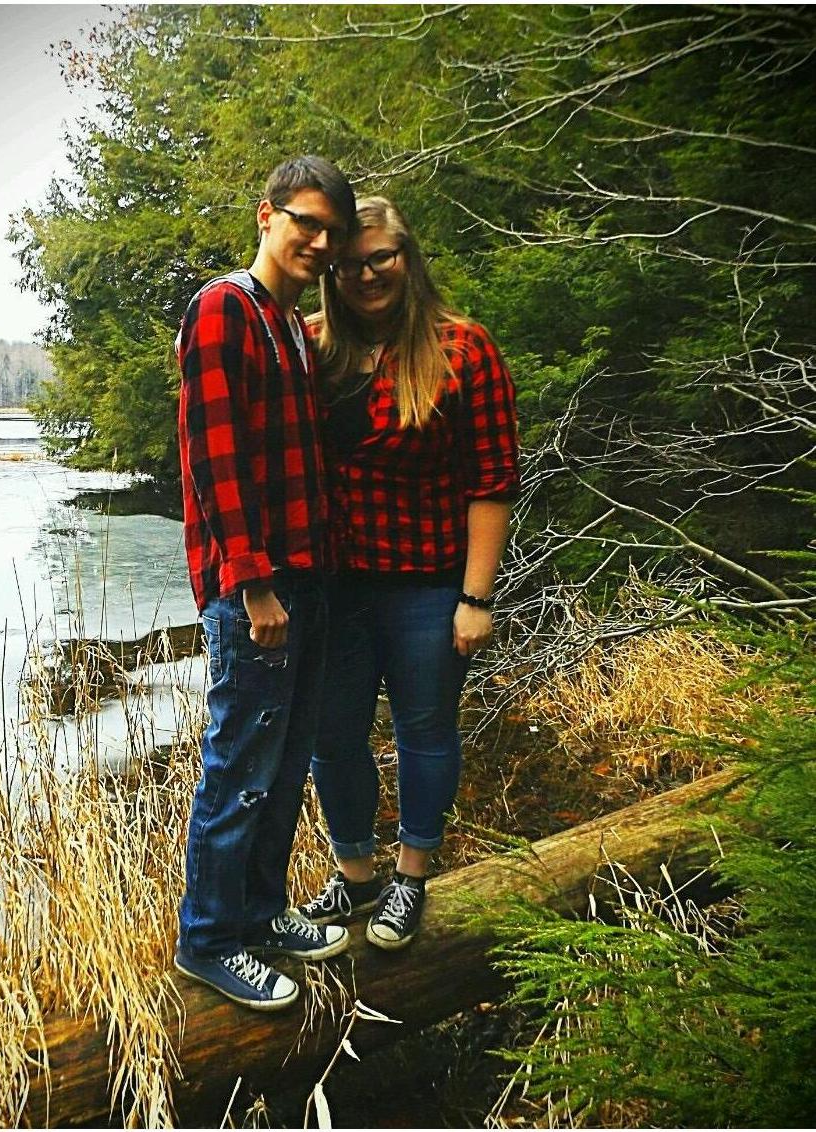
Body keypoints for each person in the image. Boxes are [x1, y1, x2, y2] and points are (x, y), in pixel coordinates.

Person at [299, 196, 520, 950]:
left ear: (407, 257)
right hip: (335, 588)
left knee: (425, 730)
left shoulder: (463, 348)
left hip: (429, 586)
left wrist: (475, 597)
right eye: (350, 264)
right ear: (332, 272)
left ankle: (412, 874)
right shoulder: (311, 346)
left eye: (381, 258)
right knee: (333, 736)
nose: (367, 275)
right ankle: (356, 874)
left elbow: (492, 480)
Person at [174, 156, 357, 1010]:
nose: (319, 242)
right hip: (259, 591)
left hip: (307, 582)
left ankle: (260, 913)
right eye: (305, 223)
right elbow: (216, 460)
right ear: (267, 216)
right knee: (240, 764)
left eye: (331, 231)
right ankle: (208, 940)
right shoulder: (224, 309)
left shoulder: (290, 326)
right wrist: (252, 587)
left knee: (284, 768)